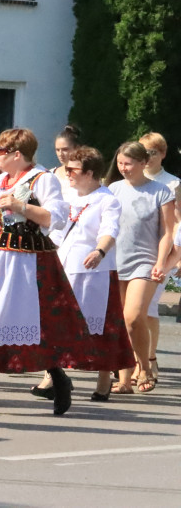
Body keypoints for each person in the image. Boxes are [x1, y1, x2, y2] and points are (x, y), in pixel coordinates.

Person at [0, 128, 97, 416]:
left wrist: (21, 206)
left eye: (0, 153)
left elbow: (56, 218)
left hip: (29, 264)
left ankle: (58, 378)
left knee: (38, 326)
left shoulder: (42, 180)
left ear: (17, 155)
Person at [33, 146, 134, 401]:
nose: (67, 173)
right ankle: (53, 377)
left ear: (89, 173)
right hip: (64, 269)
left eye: (72, 169)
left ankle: (103, 379)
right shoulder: (67, 198)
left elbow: (110, 230)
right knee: (57, 324)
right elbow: (54, 231)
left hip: (95, 272)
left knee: (99, 328)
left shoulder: (107, 199)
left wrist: (100, 251)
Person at [106, 141, 174, 394]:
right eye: (120, 163)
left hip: (145, 263)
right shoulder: (113, 189)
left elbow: (168, 232)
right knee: (122, 322)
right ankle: (124, 378)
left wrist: (160, 263)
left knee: (133, 317)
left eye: (129, 163)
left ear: (143, 163)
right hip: (115, 260)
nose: (123, 168)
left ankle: (144, 366)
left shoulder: (161, 191)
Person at [137, 131, 179, 385]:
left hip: (162, 253)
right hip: (136, 251)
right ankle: (141, 360)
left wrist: (175, 259)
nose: (148, 157)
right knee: (136, 309)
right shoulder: (133, 180)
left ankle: (148, 359)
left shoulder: (172, 184)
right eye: (144, 152)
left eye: (153, 152)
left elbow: (178, 223)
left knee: (148, 307)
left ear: (162, 154)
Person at [52, 124, 82, 194]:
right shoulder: (51, 174)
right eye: (57, 150)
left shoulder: (86, 175)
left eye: (65, 149)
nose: (60, 154)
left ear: (77, 148)